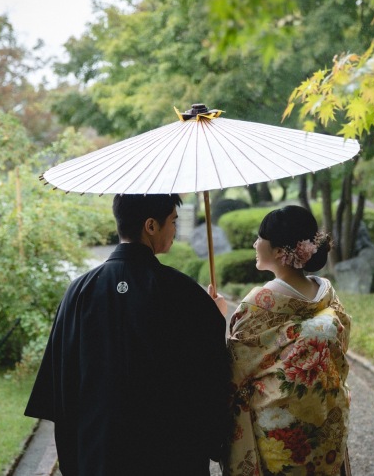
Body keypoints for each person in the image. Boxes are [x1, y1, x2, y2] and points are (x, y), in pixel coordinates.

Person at [24, 194, 230, 475]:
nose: (174, 229)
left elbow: (62, 381)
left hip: (98, 450)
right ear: (150, 226)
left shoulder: (79, 291)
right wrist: (214, 316)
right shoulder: (182, 292)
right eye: (173, 221)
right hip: (167, 452)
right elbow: (208, 374)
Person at [218, 205, 352, 475]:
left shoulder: (260, 305)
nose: (255, 244)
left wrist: (217, 316)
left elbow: (233, 370)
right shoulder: (327, 296)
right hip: (323, 424)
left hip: (279, 436)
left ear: (280, 252)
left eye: (260, 238)